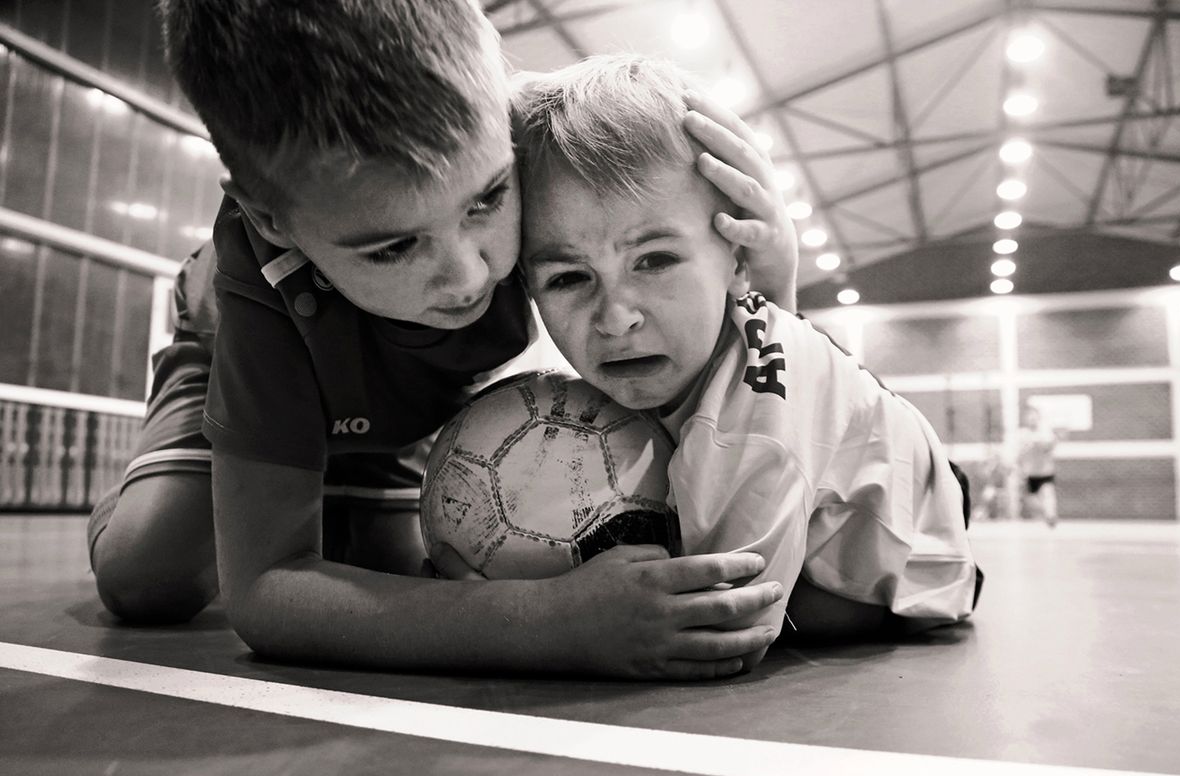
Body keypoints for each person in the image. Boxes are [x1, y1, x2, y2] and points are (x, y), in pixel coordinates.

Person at [87, 0, 802, 680]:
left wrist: (769, 274)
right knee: (148, 574)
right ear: (272, 221)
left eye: (489, 198)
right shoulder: (261, 273)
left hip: (410, 397)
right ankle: (235, 456)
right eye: (393, 248)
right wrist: (549, 624)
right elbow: (265, 593)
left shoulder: (541, 144)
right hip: (239, 351)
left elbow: (726, 363)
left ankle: (329, 474)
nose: (470, 275)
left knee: (397, 570)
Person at [514, 55, 982, 663]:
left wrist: (526, 609)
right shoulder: (715, 351)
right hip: (876, 467)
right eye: (569, 278)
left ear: (738, 261)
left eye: (654, 261)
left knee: (791, 612)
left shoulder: (743, 429)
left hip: (924, 557)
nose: (615, 317)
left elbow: (721, 630)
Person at [1018, 405, 1060, 527]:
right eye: (1030, 417)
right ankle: (1045, 513)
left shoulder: (1045, 433)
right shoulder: (1022, 434)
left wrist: (1038, 442)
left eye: (1034, 417)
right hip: (1029, 474)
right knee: (1030, 500)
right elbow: (1018, 453)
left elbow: (1049, 446)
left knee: (1048, 493)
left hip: (1045, 472)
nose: (1032, 420)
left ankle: (1051, 515)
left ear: (1038, 418)